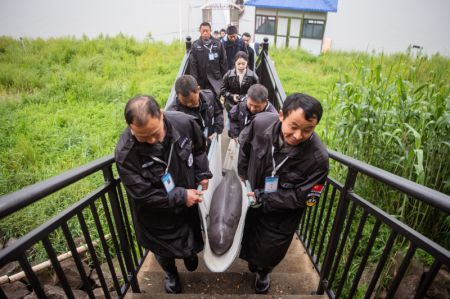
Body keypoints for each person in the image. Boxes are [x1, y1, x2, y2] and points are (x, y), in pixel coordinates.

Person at [115, 95, 212, 294]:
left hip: (186, 205)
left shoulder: (184, 123)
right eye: (143, 137)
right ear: (131, 128)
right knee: (162, 250)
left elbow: (200, 149)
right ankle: (171, 273)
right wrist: (180, 196)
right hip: (155, 214)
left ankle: (189, 253)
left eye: (154, 133)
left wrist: (202, 173)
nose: (151, 140)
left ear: (161, 115)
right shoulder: (126, 154)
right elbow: (143, 195)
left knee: (190, 235)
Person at [238, 93, 329, 294]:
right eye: (294, 127)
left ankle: (264, 272)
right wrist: (242, 173)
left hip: (280, 216)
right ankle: (254, 263)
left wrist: (265, 198)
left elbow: (307, 199)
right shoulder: (260, 123)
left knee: (269, 252)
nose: (298, 136)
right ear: (281, 116)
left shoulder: (318, 159)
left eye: (308, 130)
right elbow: (244, 147)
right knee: (247, 237)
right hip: (252, 199)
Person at [168, 75, 224, 146]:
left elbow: (218, 113)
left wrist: (217, 130)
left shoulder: (209, 95)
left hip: (212, 139)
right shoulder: (173, 114)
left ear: (198, 89)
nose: (188, 104)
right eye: (184, 101)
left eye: (192, 100)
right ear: (178, 96)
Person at [190, 22, 227, 98]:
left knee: (216, 100)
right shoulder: (195, 45)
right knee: (203, 100)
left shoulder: (218, 43)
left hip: (216, 79)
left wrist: (225, 80)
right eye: (203, 31)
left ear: (210, 31)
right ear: (200, 31)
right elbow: (193, 65)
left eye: (207, 31)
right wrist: (194, 83)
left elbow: (223, 62)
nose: (205, 33)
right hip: (202, 80)